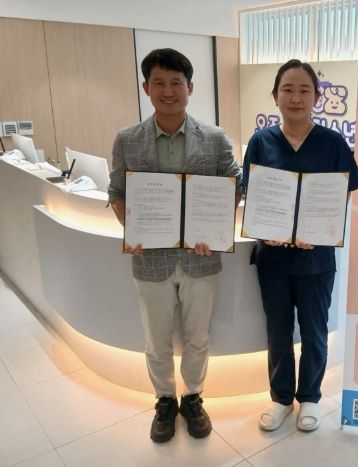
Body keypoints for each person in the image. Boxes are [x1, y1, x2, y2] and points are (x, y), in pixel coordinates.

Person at [108, 48, 242, 443]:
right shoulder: (127, 139)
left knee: (198, 337)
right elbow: (117, 192)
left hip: (201, 258)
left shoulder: (215, 138)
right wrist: (133, 229)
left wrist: (216, 229)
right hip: (151, 259)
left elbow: (235, 185)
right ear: (146, 87)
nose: (168, 91)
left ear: (190, 87)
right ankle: (165, 400)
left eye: (176, 83)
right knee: (157, 339)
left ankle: (193, 397)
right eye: (159, 83)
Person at [242, 59, 358, 432]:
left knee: (314, 331)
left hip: (316, 259)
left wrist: (323, 228)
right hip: (273, 258)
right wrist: (263, 230)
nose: (295, 97)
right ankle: (281, 398)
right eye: (288, 90)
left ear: (316, 97)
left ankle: (309, 397)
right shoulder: (261, 141)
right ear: (275, 96)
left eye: (304, 90)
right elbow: (252, 195)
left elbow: (342, 194)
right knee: (278, 331)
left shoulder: (332, 143)